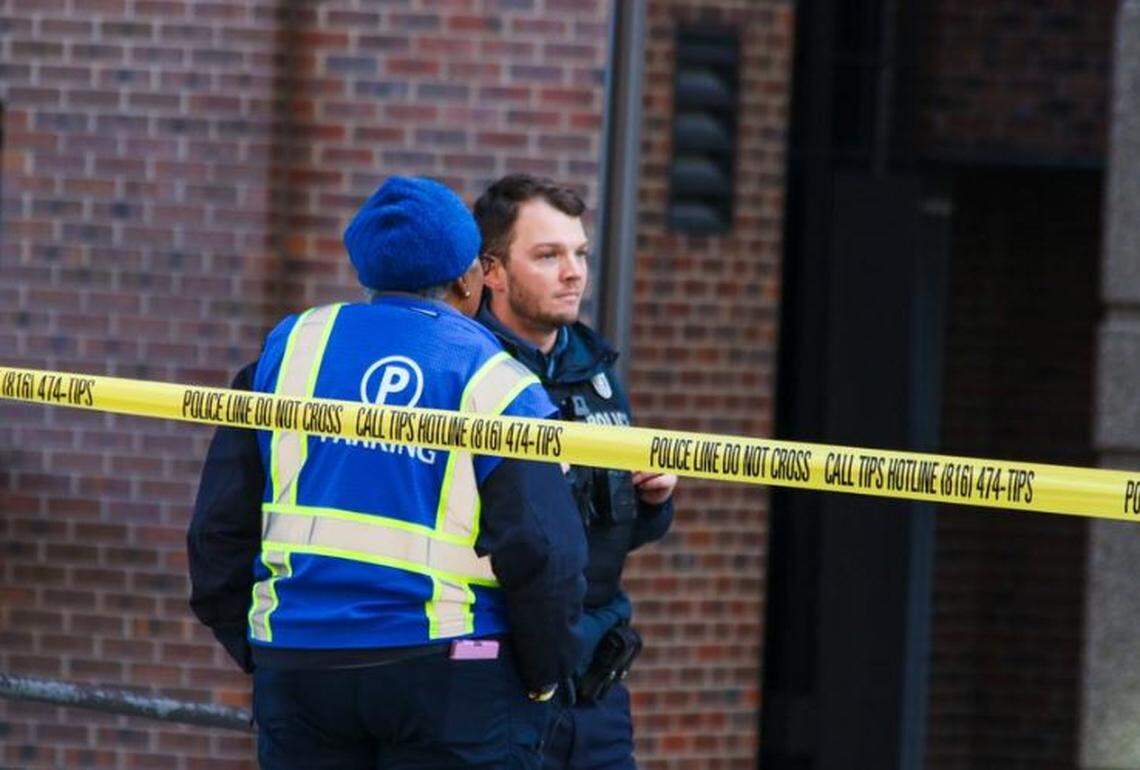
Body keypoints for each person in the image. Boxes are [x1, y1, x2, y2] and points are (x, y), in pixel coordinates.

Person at [187, 176, 588, 770]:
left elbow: (217, 527)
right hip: (451, 674)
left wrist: (262, 648)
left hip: (300, 664)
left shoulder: (292, 351)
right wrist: (543, 676)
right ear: (468, 279)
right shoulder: (495, 379)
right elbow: (545, 551)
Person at [473, 174, 677, 770]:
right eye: (548, 256)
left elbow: (609, 534)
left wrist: (652, 498)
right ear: (492, 271)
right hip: (500, 684)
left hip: (595, 694)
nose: (573, 273)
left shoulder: (596, 371)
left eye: (580, 254)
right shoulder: (469, 372)